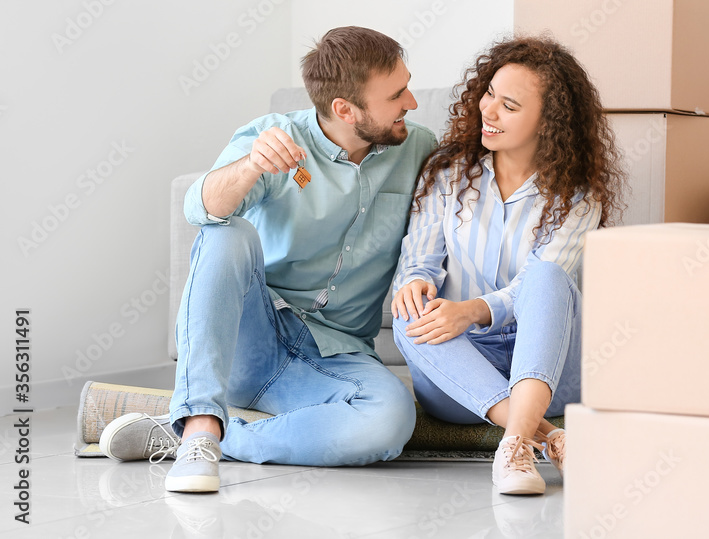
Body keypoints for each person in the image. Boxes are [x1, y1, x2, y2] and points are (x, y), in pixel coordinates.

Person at [98, 26, 437, 493]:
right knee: (225, 232)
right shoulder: (275, 137)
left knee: (389, 421)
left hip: (335, 356)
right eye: (397, 94)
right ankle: (198, 426)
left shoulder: (419, 148)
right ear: (344, 109)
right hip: (250, 337)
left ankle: (211, 437)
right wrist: (252, 165)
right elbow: (201, 208)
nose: (412, 102)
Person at [391, 36, 625, 495]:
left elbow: (536, 285)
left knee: (546, 276)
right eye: (490, 93)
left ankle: (514, 445)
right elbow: (418, 254)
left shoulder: (579, 196)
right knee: (409, 314)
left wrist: (473, 309)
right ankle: (546, 438)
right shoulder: (448, 173)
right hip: (461, 373)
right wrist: (415, 282)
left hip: (548, 370)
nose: (489, 111)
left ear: (549, 123)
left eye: (509, 105)